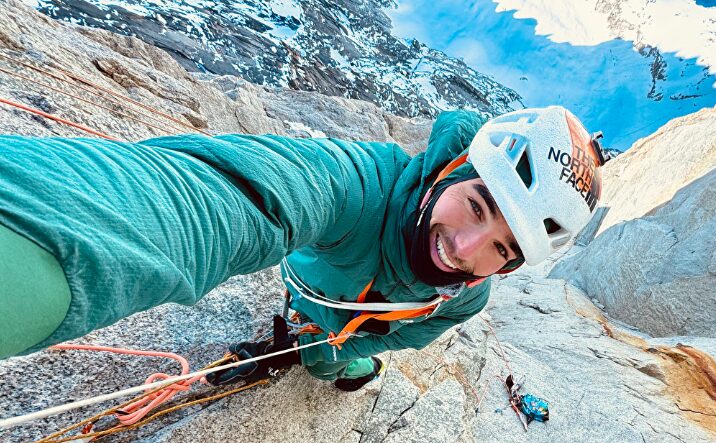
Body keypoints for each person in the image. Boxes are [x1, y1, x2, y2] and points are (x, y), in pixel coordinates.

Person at [0, 106, 605, 390]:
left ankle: (350, 366)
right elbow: (239, 195)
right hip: (311, 287)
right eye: (476, 206)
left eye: (501, 250)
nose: (465, 249)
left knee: (334, 368)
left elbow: (416, 332)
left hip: (342, 323)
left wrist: (347, 343)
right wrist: (45, 244)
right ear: (450, 168)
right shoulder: (357, 186)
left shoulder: (466, 298)